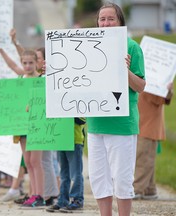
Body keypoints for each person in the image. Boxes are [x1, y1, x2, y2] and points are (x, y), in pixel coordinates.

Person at [86, 2, 146, 216]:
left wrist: (125, 71)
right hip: (95, 124)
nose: (106, 23)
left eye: (111, 19)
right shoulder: (88, 47)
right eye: (102, 19)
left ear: (120, 22)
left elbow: (140, 86)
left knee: (122, 179)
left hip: (122, 125)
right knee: (98, 178)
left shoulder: (131, 47)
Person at [0, 42, 46, 207]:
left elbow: (46, 102)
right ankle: (33, 193)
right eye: (24, 63)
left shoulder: (41, 79)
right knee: (28, 161)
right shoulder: (20, 79)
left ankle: (40, 195)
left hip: (37, 126)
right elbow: (11, 65)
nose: (27, 66)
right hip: (22, 126)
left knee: (36, 162)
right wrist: (1, 50)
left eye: (31, 62)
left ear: (36, 63)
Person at [134, 82, 174, 200]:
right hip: (143, 124)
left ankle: (138, 188)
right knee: (146, 157)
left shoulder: (154, 82)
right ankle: (150, 189)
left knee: (143, 159)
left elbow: (161, 98)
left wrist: (167, 90)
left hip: (148, 126)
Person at [46, 118, 86, 213]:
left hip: (74, 140)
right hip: (61, 140)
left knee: (76, 174)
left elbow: (83, 120)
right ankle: (62, 201)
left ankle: (77, 200)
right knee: (64, 175)